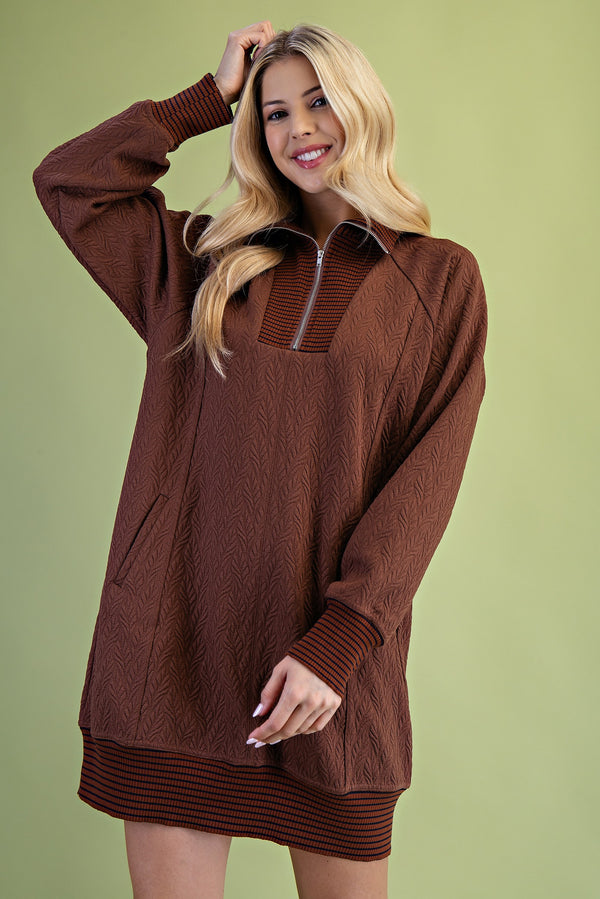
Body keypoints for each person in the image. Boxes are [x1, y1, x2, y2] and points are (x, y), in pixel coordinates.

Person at [33, 20, 487, 899]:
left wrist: (340, 642)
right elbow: (69, 182)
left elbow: (424, 484)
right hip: (172, 654)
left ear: (363, 105)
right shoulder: (201, 261)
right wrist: (205, 100)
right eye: (275, 112)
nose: (299, 128)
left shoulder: (441, 281)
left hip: (327, 671)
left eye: (319, 101)